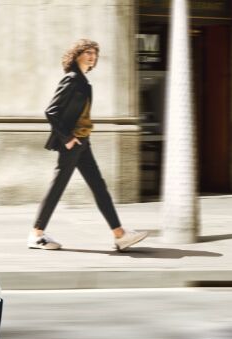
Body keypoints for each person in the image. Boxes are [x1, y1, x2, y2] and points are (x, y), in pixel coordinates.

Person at [31, 39, 149, 252]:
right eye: (87, 52)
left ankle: (120, 234)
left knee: (99, 187)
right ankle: (36, 234)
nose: (92, 56)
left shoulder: (83, 81)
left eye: (94, 53)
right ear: (76, 56)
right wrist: (67, 139)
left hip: (83, 142)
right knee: (59, 187)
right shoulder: (72, 79)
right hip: (74, 142)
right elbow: (51, 111)